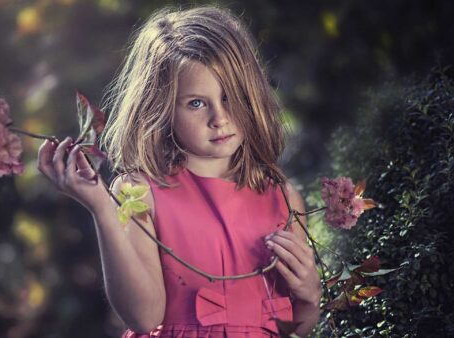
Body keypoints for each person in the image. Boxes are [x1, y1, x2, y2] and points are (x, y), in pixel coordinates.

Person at [37, 5, 321, 338]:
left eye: (231, 97)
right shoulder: (140, 193)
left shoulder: (284, 200)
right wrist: (102, 208)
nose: (220, 118)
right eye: (196, 103)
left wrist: (310, 299)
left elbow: (293, 329)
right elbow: (143, 318)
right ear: (161, 108)